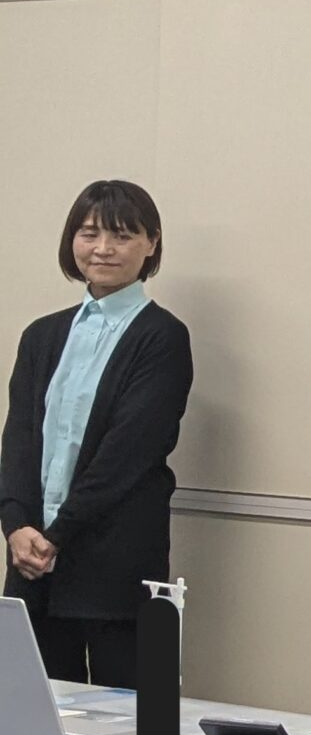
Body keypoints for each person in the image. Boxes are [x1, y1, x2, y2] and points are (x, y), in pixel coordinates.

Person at [0, 181, 194, 688]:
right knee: (35, 706)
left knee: (132, 716)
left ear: (151, 243)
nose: (103, 248)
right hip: (34, 560)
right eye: (89, 234)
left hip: (116, 558)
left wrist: (56, 534)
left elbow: (129, 452)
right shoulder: (42, 335)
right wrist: (16, 524)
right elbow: (19, 439)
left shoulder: (162, 336)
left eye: (122, 236)